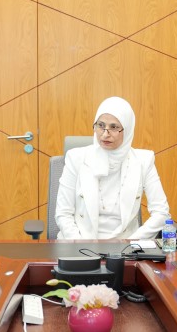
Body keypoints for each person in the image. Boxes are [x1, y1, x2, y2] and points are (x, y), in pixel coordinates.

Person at [55, 96, 170, 239]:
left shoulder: (143, 161)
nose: (105, 134)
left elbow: (161, 212)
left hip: (126, 244)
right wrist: (81, 245)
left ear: (127, 129)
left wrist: (132, 242)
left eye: (114, 127)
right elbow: (63, 213)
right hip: (80, 241)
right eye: (100, 125)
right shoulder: (76, 158)